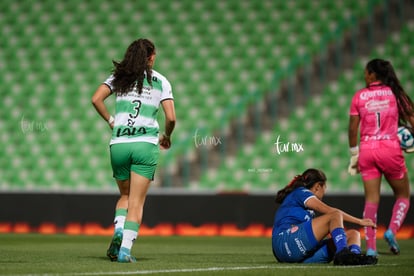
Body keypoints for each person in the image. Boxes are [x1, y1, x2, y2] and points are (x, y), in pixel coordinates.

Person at [91, 38, 176, 263]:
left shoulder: (119, 78)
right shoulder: (161, 81)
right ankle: (125, 251)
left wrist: (111, 121)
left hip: (119, 144)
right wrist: (167, 136)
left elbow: (96, 99)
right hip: (145, 145)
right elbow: (171, 117)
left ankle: (118, 230)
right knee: (137, 203)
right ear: (150, 57)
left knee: (125, 197)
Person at [348, 58, 413, 256]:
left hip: (367, 150)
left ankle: (371, 250)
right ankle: (392, 230)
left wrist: (354, 154)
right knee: (402, 196)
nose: (364, 75)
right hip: (390, 148)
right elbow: (411, 118)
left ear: (372, 75)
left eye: (366, 72)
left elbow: (352, 128)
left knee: (371, 201)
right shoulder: (395, 94)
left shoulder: (359, 96)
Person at [272, 168, 377, 265]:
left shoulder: (306, 209)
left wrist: (336, 234)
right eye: (324, 187)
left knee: (353, 234)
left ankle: (354, 258)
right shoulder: (302, 192)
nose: (324, 192)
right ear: (318, 186)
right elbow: (331, 212)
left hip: (297, 254)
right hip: (284, 243)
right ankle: (343, 254)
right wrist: (359, 221)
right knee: (335, 215)